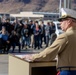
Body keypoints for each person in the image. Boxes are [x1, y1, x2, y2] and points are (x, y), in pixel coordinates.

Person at [22, 8, 76, 75]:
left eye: (62, 20)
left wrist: (32, 57)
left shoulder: (65, 36)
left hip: (68, 72)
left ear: (69, 21)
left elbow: (49, 54)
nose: (60, 23)